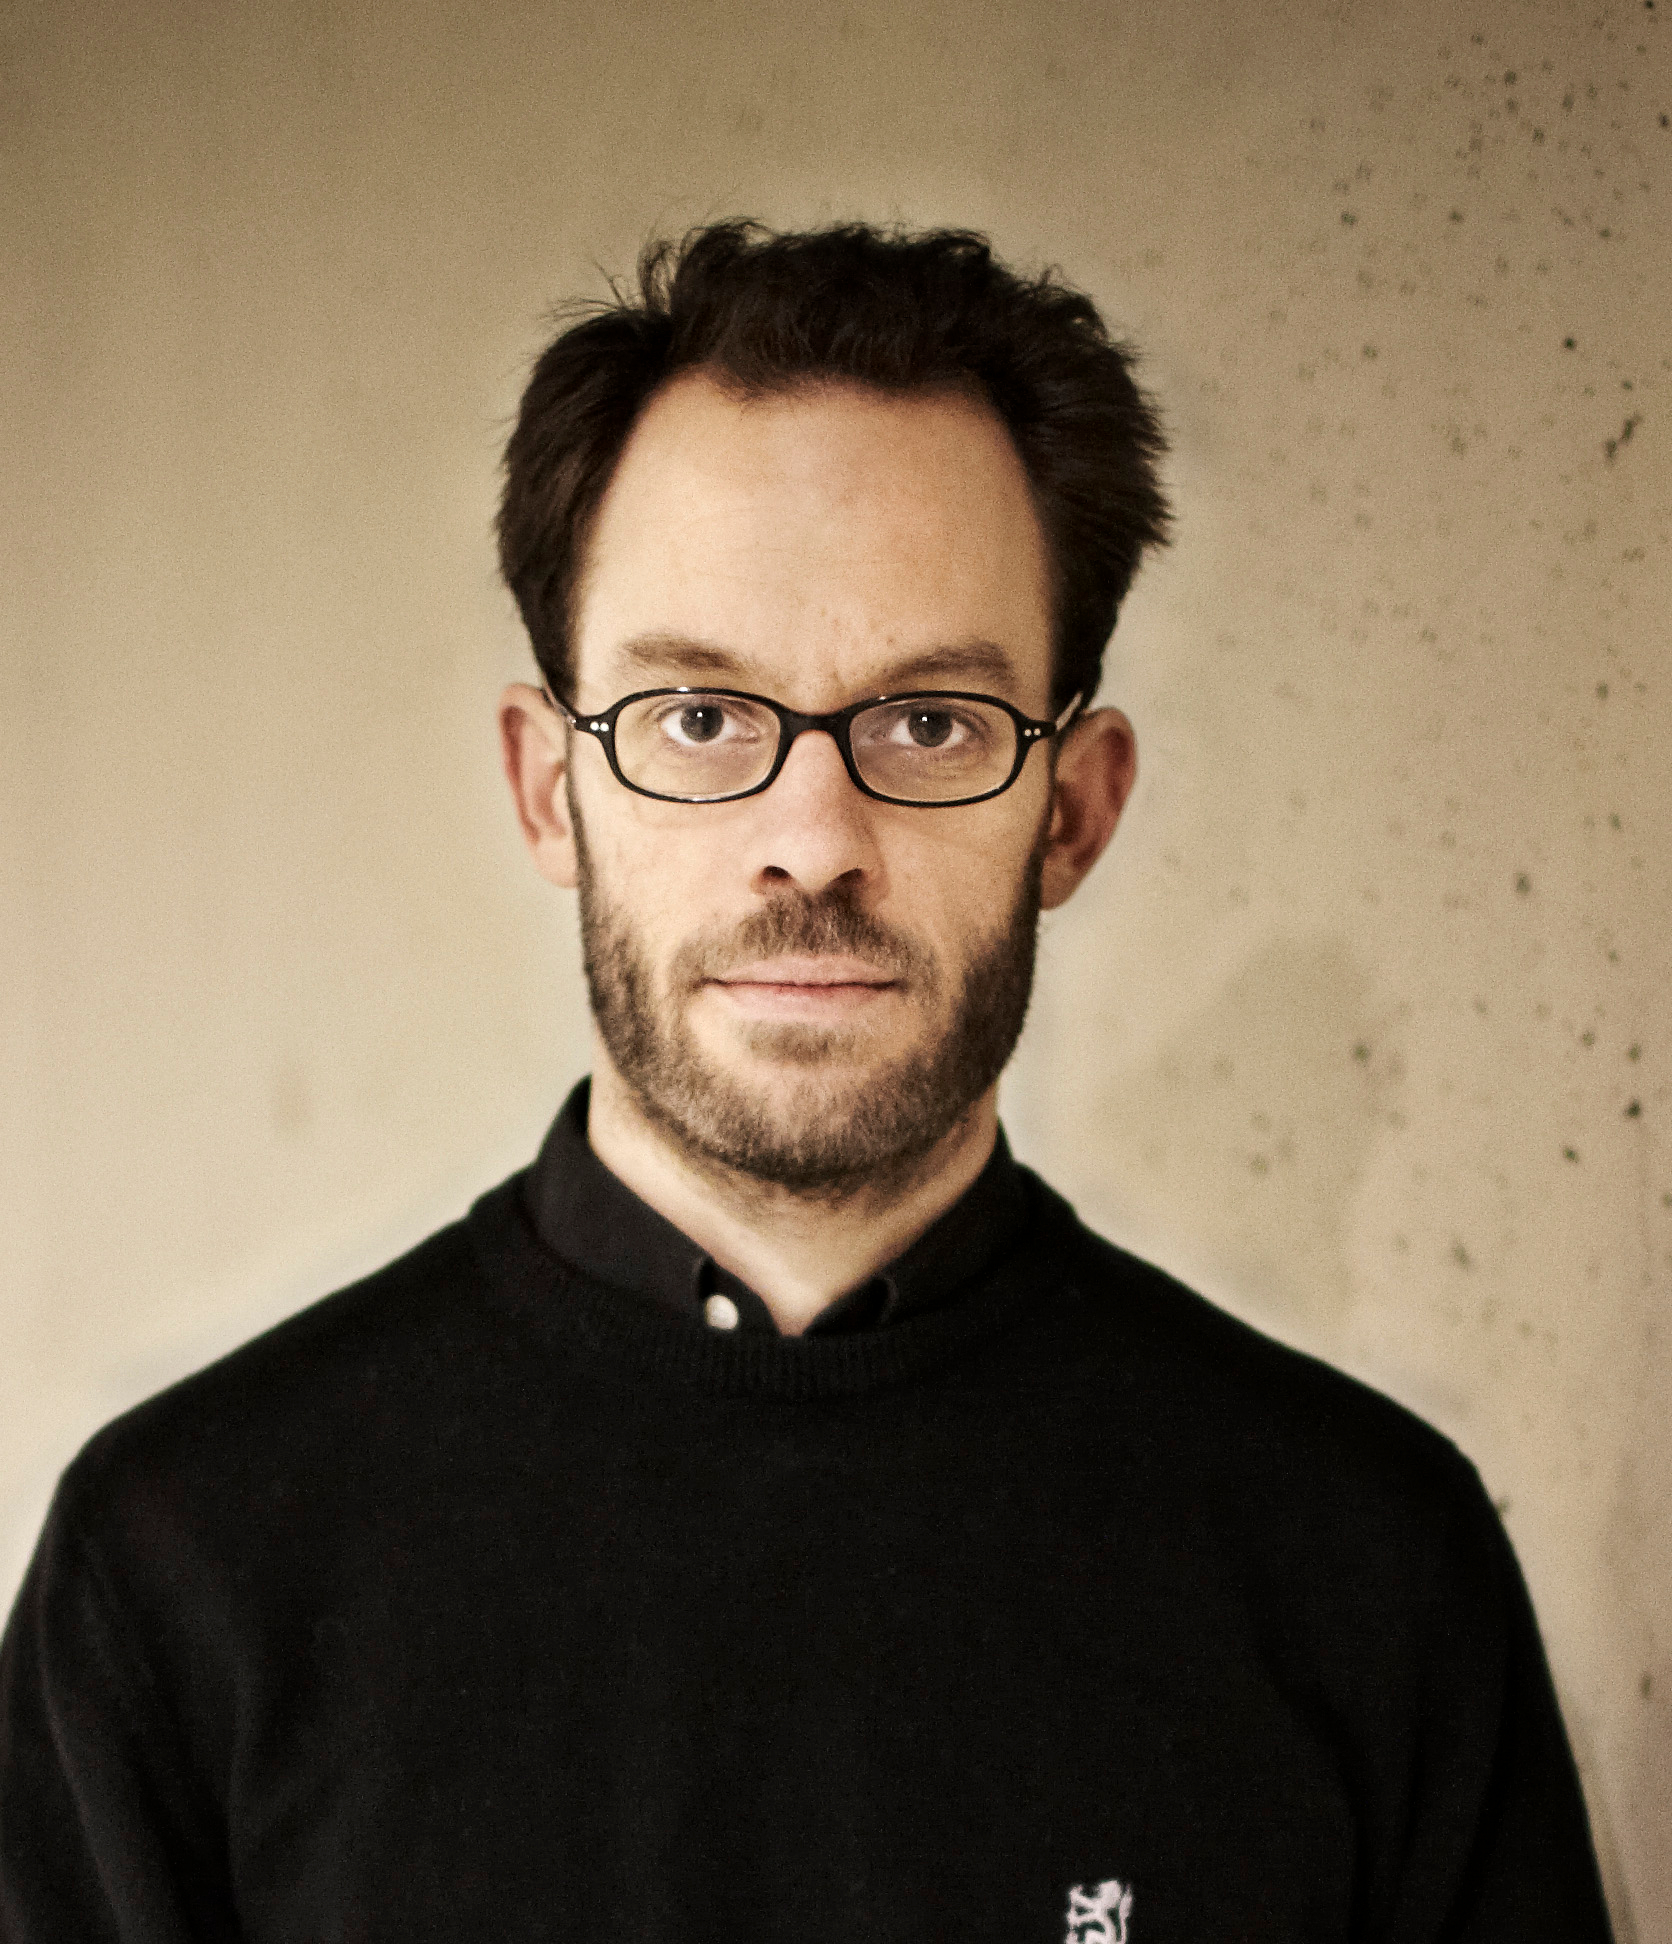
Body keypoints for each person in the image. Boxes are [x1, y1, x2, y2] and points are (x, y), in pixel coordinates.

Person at [0, 222, 1612, 1943]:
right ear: (550, 790)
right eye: (700, 716)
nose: (812, 841)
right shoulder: (185, 1571)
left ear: (1073, 810)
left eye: (931, 723)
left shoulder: (1363, 1567)